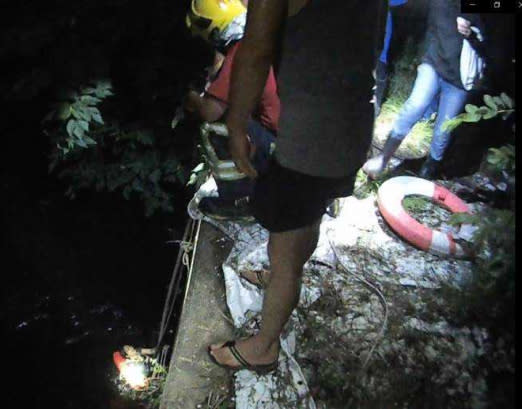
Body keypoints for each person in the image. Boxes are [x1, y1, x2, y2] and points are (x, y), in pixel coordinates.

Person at [207, 0, 385, 373]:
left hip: (310, 135)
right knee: (309, 211)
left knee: (284, 244)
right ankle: (281, 280)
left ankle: (263, 347)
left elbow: (255, 53)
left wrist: (237, 126)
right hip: (354, 120)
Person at [363, 0, 486, 180]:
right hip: (433, 65)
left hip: (459, 81)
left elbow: (490, 48)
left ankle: (427, 173)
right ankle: (383, 158)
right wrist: (423, 58)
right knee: (414, 106)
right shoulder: (439, 4)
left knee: (444, 130)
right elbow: (424, 25)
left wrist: (472, 36)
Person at [183, 0, 281, 219]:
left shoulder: (242, 51)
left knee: (215, 128)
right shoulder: (268, 32)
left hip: (282, 144)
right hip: (304, 134)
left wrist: (190, 97)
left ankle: (238, 200)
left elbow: (211, 111)